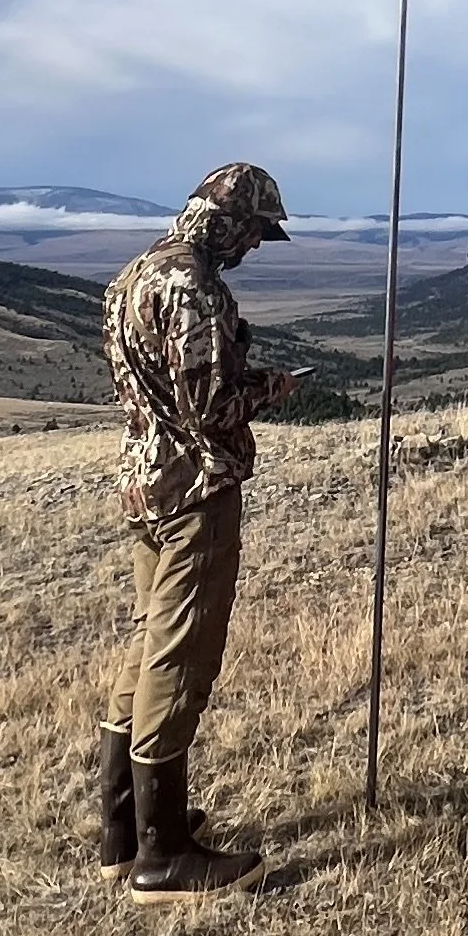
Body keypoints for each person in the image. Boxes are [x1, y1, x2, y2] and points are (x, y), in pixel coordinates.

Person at [98, 161, 298, 897]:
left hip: (147, 485)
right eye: (253, 233)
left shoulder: (135, 274)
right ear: (230, 223)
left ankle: (124, 830)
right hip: (195, 490)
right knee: (179, 658)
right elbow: (212, 405)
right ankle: (164, 854)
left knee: (146, 640)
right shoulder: (195, 288)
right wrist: (271, 388)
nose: (254, 248)